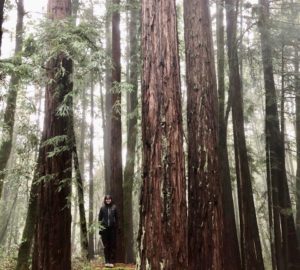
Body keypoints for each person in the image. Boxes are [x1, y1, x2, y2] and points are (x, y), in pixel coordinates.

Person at [98, 194, 118, 268]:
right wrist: (100, 230)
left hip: (112, 229)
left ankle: (112, 261)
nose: (108, 200)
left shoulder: (114, 207)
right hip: (104, 230)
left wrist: (116, 227)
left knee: (112, 245)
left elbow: (117, 218)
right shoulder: (102, 208)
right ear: (105, 200)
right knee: (106, 245)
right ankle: (107, 261)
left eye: (109, 199)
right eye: (106, 199)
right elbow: (99, 219)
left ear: (111, 200)